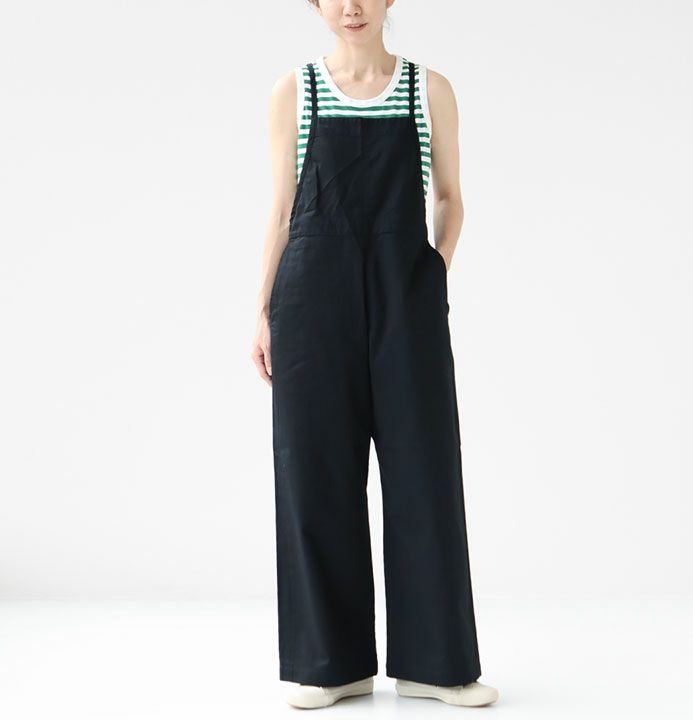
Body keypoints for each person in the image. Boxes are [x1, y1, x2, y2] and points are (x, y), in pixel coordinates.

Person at [251, 0, 499, 709]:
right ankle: (331, 665)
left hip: (405, 299)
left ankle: (436, 666)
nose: (351, 6)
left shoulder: (428, 89)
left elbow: (450, 198)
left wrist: (429, 275)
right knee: (315, 475)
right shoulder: (295, 91)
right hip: (310, 300)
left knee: (425, 473)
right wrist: (263, 311)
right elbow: (281, 209)